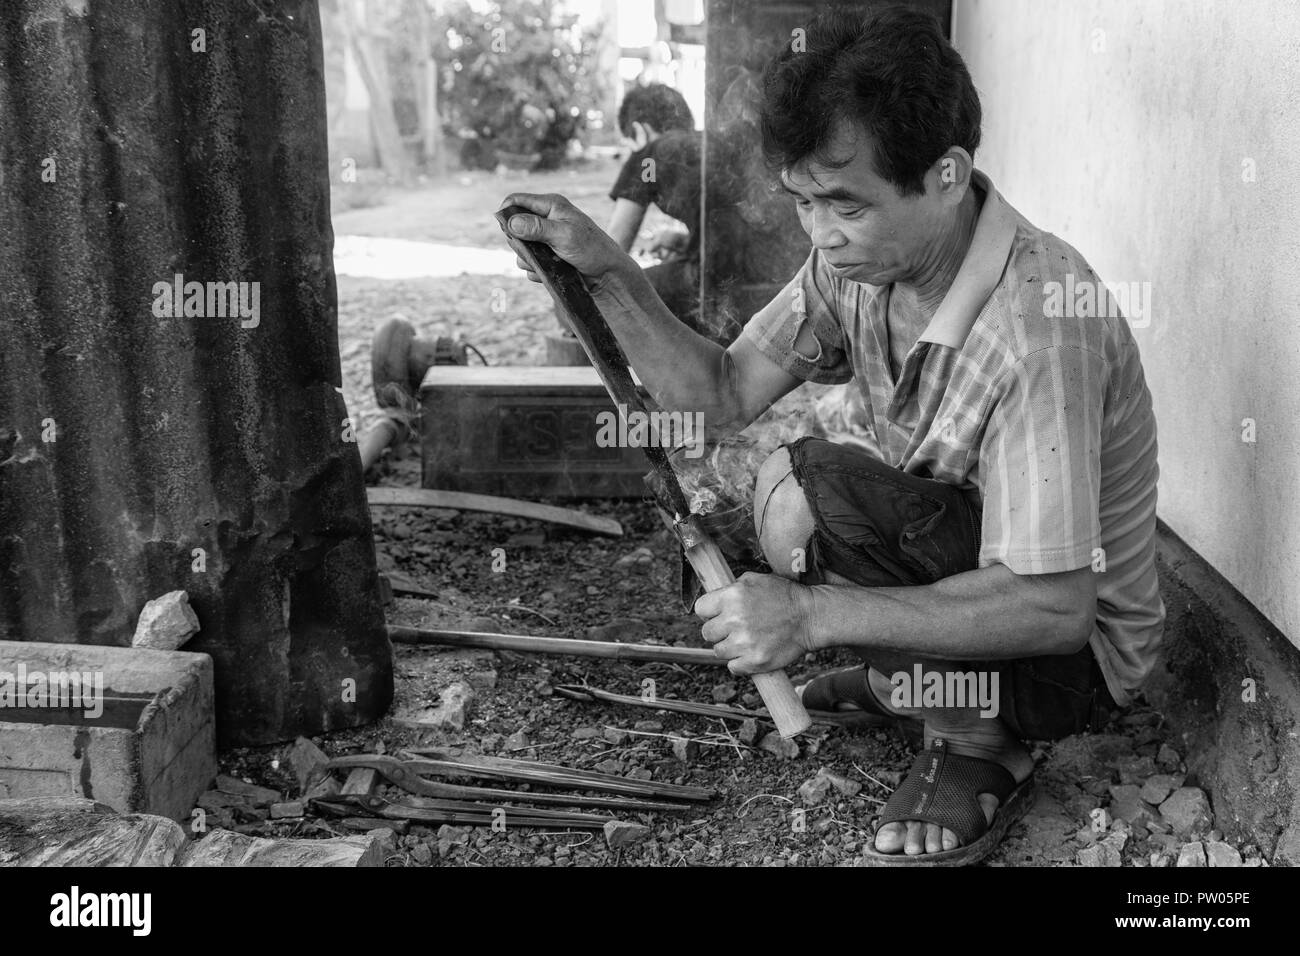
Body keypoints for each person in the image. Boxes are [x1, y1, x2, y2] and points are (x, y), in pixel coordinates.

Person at [499, 6, 1163, 865]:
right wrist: (607, 274)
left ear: (948, 174)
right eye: (803, 202)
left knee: (809, 495)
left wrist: (810, 616)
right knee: (776, 493)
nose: (819, 233)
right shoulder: (859, 265)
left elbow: (1056, 607)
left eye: (844, 204)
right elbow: (722, 395)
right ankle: (912, 681)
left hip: (1070, 663)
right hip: (975, 563)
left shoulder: (1037, 327)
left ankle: (979, 742)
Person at [605, 83, 704, 332]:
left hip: (712, 280)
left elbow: (611, 251)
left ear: (639, 130)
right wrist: (684, 241)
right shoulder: (709, 143)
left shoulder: (648, 156)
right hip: (769, 273)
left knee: (581, 304)